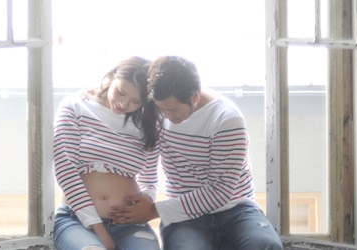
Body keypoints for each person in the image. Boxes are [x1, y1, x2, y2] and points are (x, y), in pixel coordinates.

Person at [109, 55, 282, 250]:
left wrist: (153, 210)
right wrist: (146, 198)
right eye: (162, 109)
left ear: (195, 97)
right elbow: (147, 171)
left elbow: (220, 191)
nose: (167, 116)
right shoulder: (157, 110)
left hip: (235, 208)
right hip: (182, 214)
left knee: (266, 246)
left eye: (174, 110)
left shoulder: (226, 120)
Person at [52, 57, 162, 250]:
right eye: (121, 92)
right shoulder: (75, 105)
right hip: (76, 219)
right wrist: (98, 227)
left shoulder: (147, 122)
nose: (124, 104)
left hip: (129, 224)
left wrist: (145, 201)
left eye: (135, 101)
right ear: (111, 77)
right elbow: (65, 168)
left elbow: (149, 178)